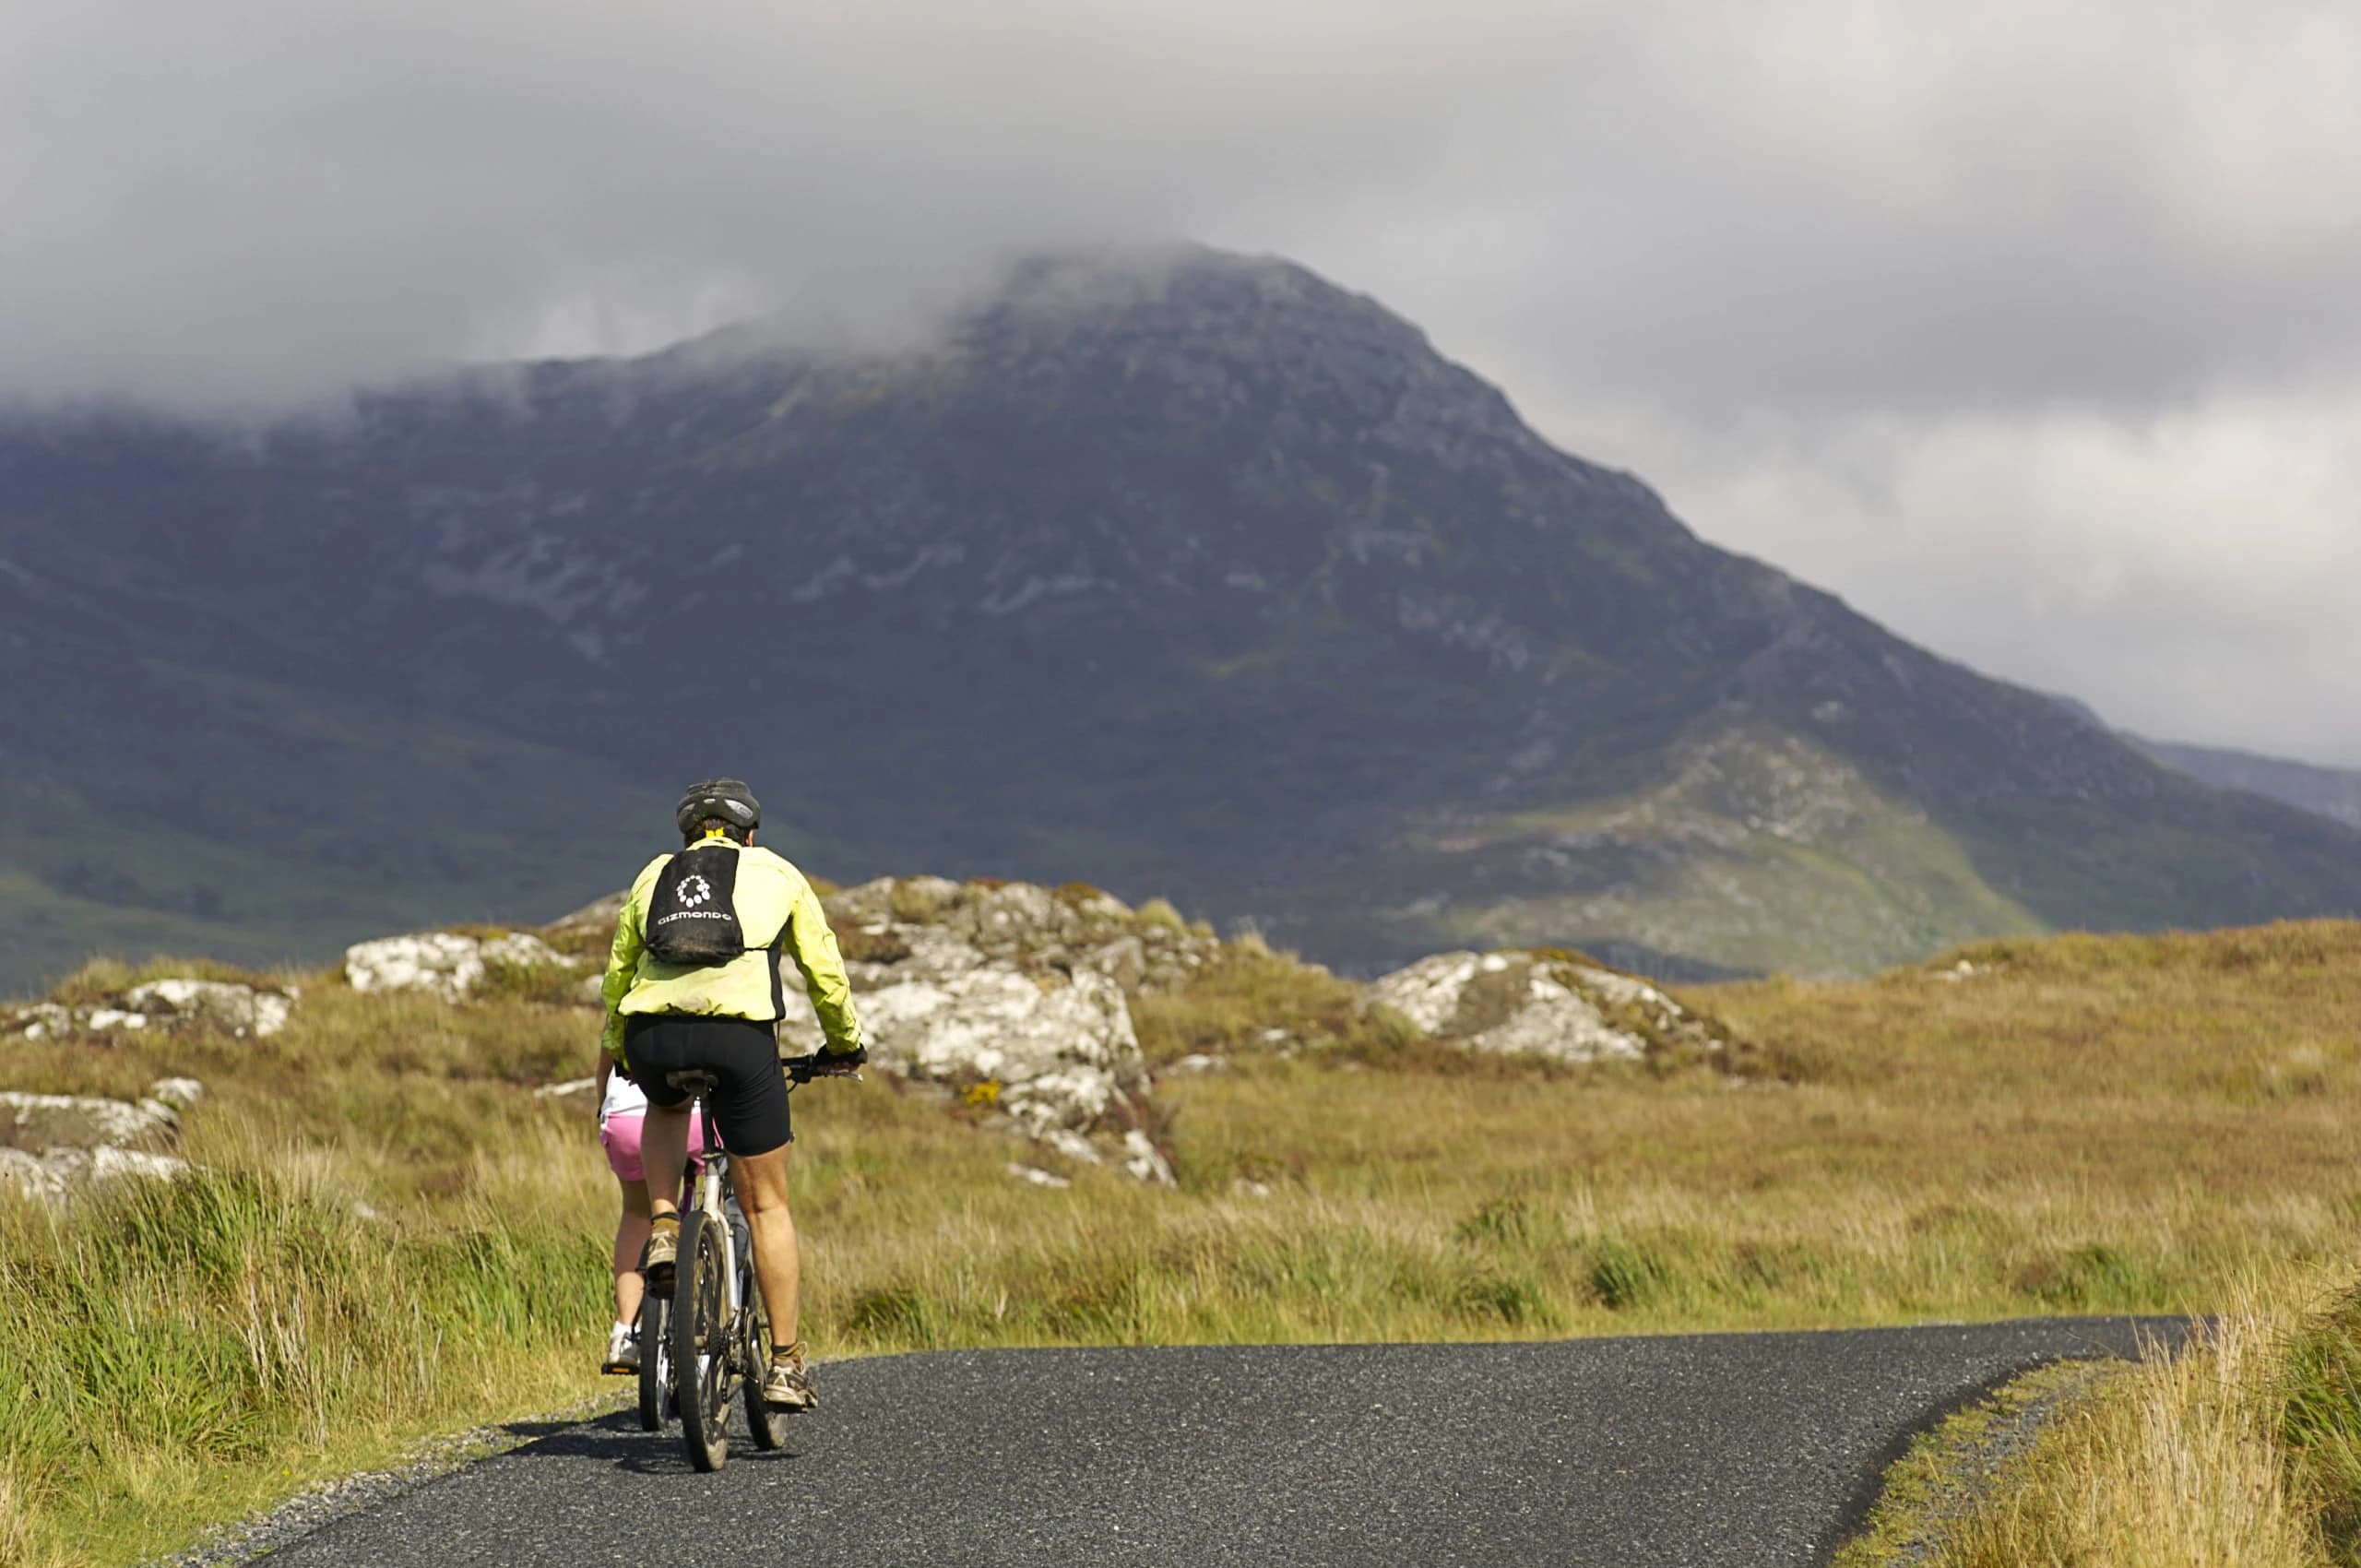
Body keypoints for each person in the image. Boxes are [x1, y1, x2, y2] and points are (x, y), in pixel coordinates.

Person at [599, 778, 864, 1410]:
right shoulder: (776, 872)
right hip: (740, 1042)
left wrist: (620, 1047)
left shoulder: (655, 876)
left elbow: (618, 970)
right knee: (769, 1207)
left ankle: (665, 1226)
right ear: (750, 834)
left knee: (665, 1104)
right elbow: (823, 970)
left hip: (654, 1033)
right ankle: (785, 1364)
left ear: (689, 836)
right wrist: (844, 1043)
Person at [592, 1049, 710, 1375]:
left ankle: (624, 1333)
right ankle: (704, 1318)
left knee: (637, 1213)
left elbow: (603, 1072)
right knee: (715, 1199)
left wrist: (603, 1109)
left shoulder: (631, 997)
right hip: (698, 1118)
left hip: (626, 1118)